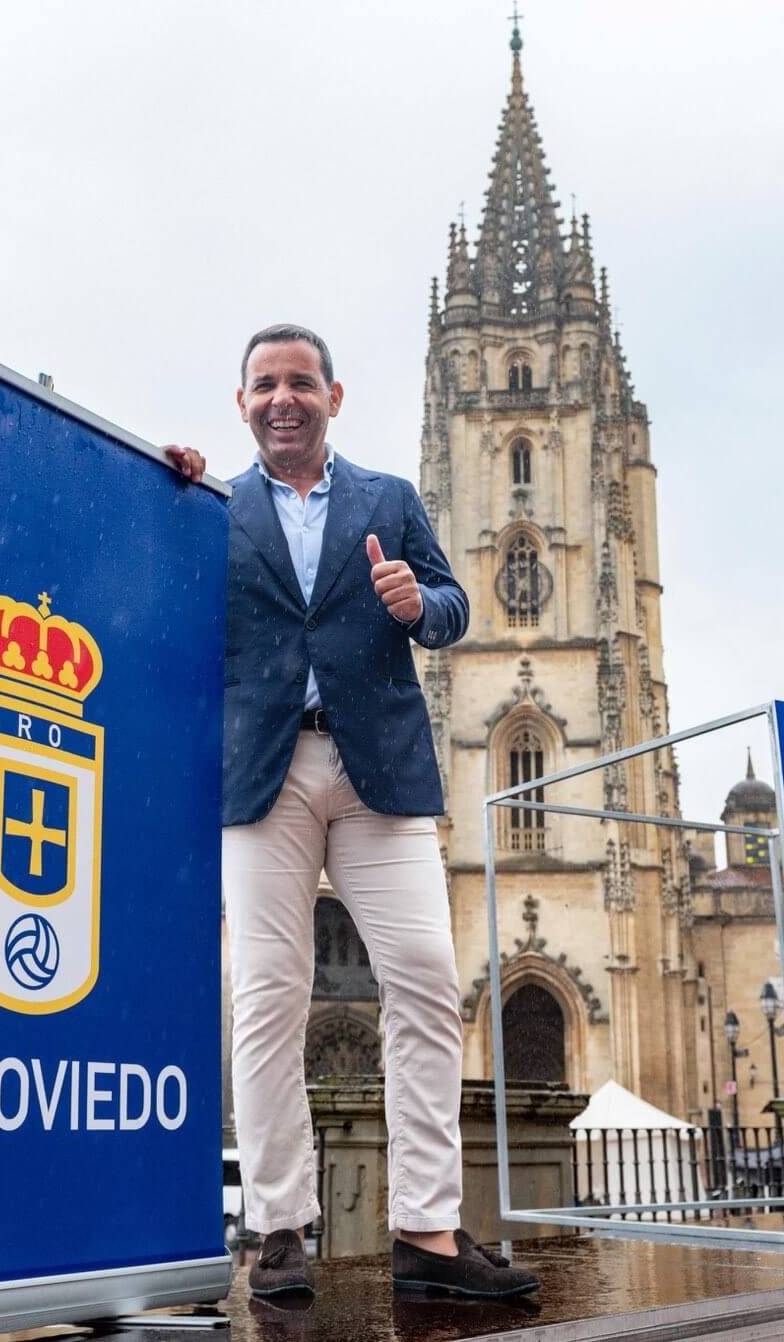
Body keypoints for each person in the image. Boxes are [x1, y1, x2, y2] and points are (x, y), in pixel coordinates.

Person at [164, 325, 539, 1300]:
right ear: (241, 401)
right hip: (263, 772)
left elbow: (455, 606)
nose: (281, 397)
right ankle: (278, 1230)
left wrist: (419, 601)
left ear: (334, 396)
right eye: (262, 385)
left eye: (299, 382)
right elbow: (162, 601)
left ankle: (425, 1232)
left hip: (376, 763)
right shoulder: (211, 505)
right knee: (265, 995)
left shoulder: (388, 500)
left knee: (421, 979)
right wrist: (162, 491)